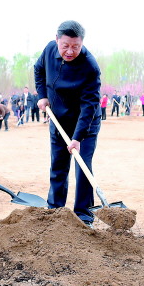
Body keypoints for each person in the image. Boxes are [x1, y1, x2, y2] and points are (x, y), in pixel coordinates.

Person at [34, 20, 101, 228]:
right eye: (65, 46)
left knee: (83, 167)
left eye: (75, 46)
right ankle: (55, 210)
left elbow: (89, 106)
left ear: (82, 43)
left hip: (85, 124)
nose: (70, 51)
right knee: (58, 165)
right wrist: (42, 95)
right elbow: (39, 70)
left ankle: (84, 215)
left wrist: (78, 137)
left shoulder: (90, 66)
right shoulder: (49, 50)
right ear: (57, 40)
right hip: (58, 119)